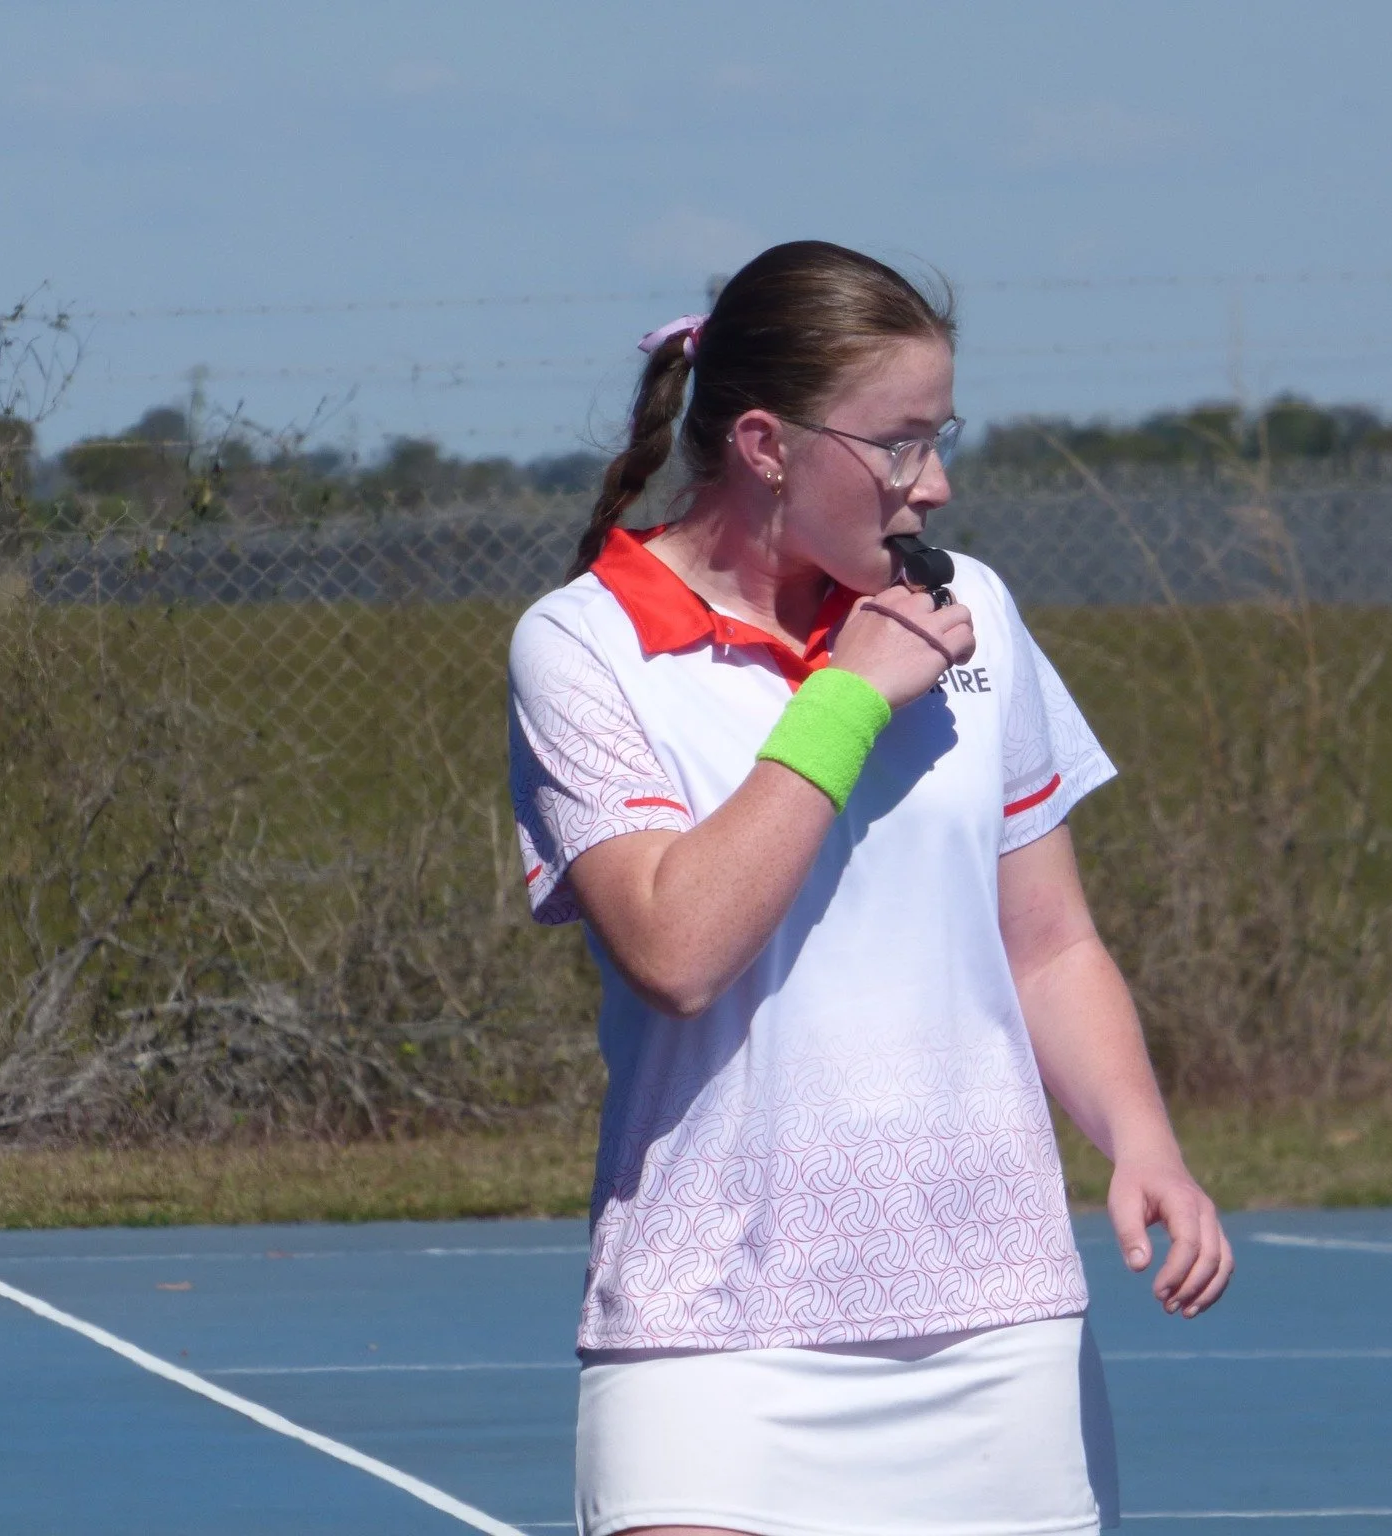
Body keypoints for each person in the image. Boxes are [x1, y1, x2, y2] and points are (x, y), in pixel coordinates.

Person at [508, 240, 1232, 1536]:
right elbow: (676, 949)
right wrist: (847, 698)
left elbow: (1052, 942)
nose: (935, 485)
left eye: (940, 436)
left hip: (999, 1335)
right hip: (708, 1337)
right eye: (898, 444)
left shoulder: (979, 619)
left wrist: (1144, 1141)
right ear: (765, 445)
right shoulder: (585, 647)